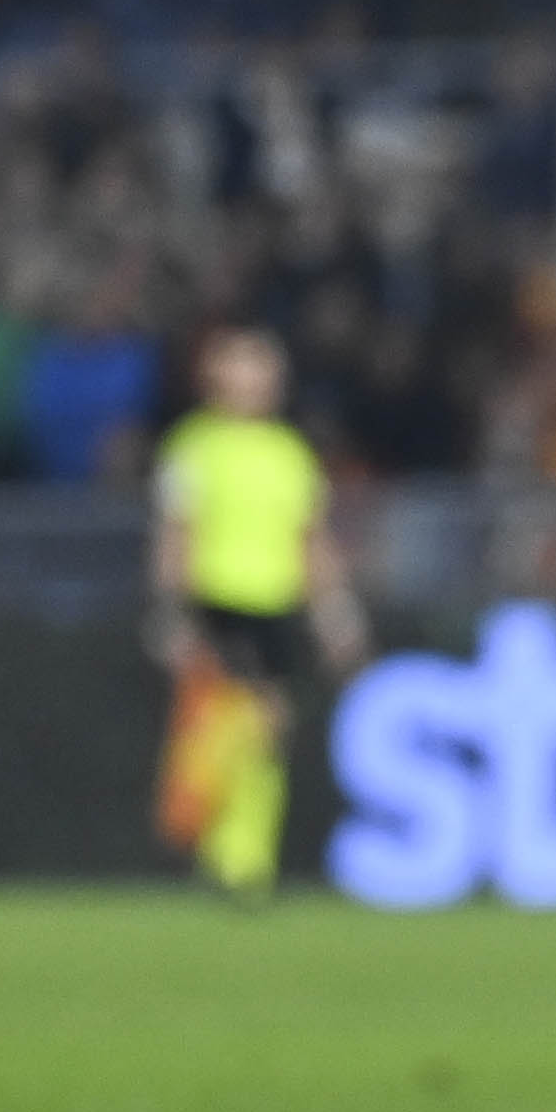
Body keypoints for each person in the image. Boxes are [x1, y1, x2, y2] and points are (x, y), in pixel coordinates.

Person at [148, 326, 367, 902]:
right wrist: (171, 609)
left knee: (270, 728)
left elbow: (312, 541)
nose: (256, 382)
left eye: (264, 370)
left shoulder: (290, 454)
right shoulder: (194, 447)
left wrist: (336, 613)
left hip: (275, 602)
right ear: (216, 378)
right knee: (240, 720)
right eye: (244, 369)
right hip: (217, 598)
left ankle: (245, 859)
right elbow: (176, 535)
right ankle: (225, 848)